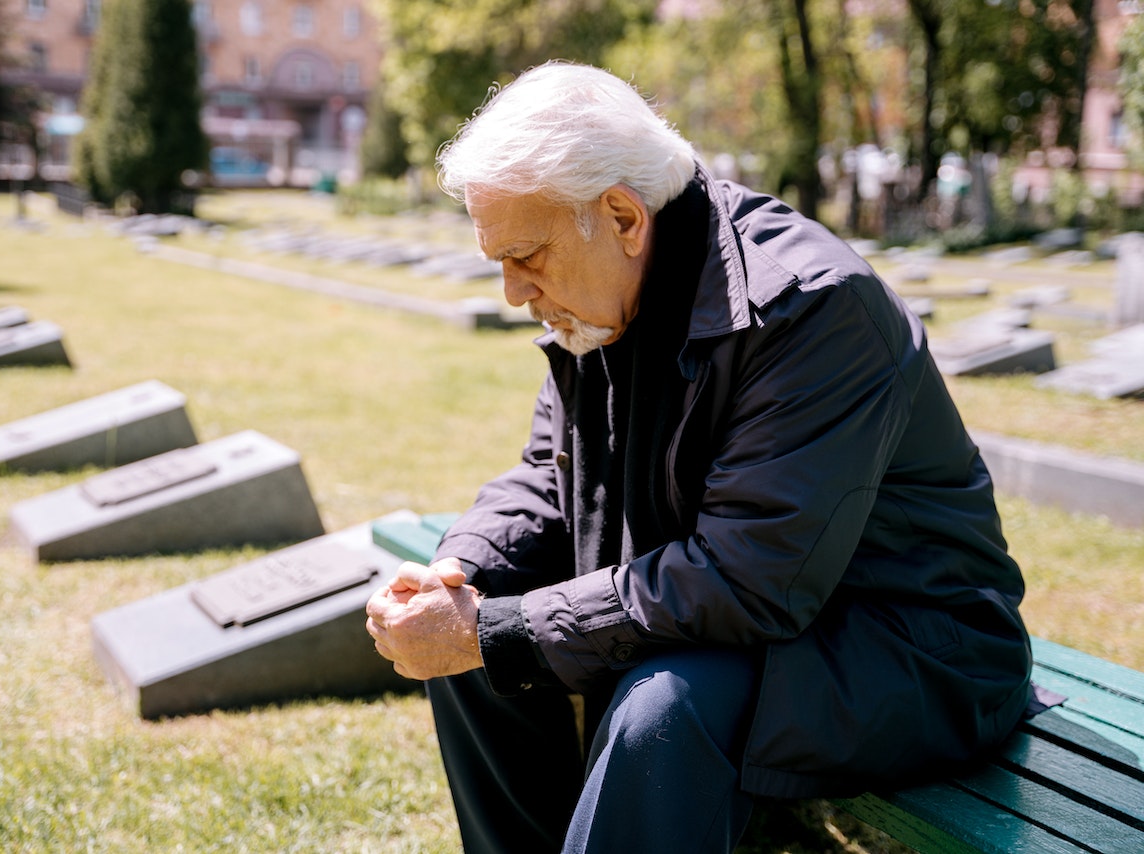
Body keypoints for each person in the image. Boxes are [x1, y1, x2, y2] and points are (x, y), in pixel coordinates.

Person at [364, 61, 1032, 854]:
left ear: (621, 216)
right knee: (477, 644)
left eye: (527, 256)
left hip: (913, 647)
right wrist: (457, 576)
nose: (514, 292)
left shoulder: (811, 308)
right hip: (763, 622)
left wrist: (498, 630)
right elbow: (551, 476)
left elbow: (751, 580)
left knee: (661, 706)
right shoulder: (603, 297)